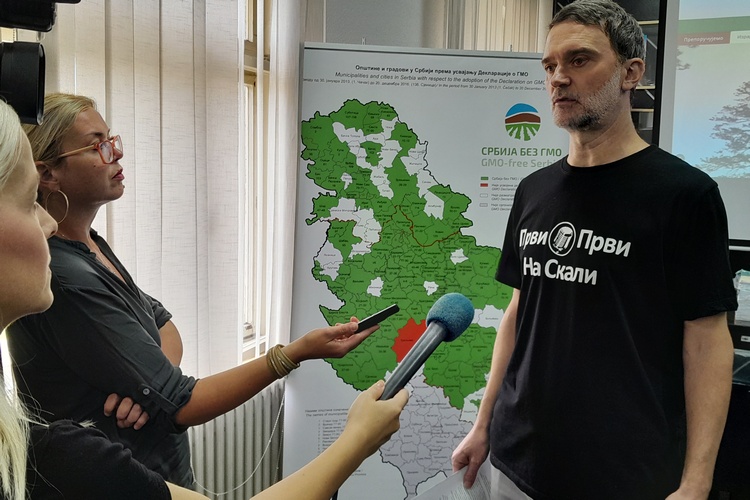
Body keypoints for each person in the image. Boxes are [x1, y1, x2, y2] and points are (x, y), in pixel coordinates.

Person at [0, 98, 409, 499]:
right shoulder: (65, 278)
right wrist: (294, 356)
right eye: (97, 145)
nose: (116, 153)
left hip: (157, 476)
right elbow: (181, 402)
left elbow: (164, 324)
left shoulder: (92, 245)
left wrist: (148, 386)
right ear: (48, 173)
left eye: (113, 140)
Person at [451, 1, 738, 499]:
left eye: (579, 60)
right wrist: (483, 424)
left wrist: (697, 481)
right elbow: (518, 313)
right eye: (549, 66)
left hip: (625, 474)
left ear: (631, 72)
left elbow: (707, 342)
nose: (558, 78)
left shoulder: (685, 195)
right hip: (515, 459)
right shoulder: (533, 190)